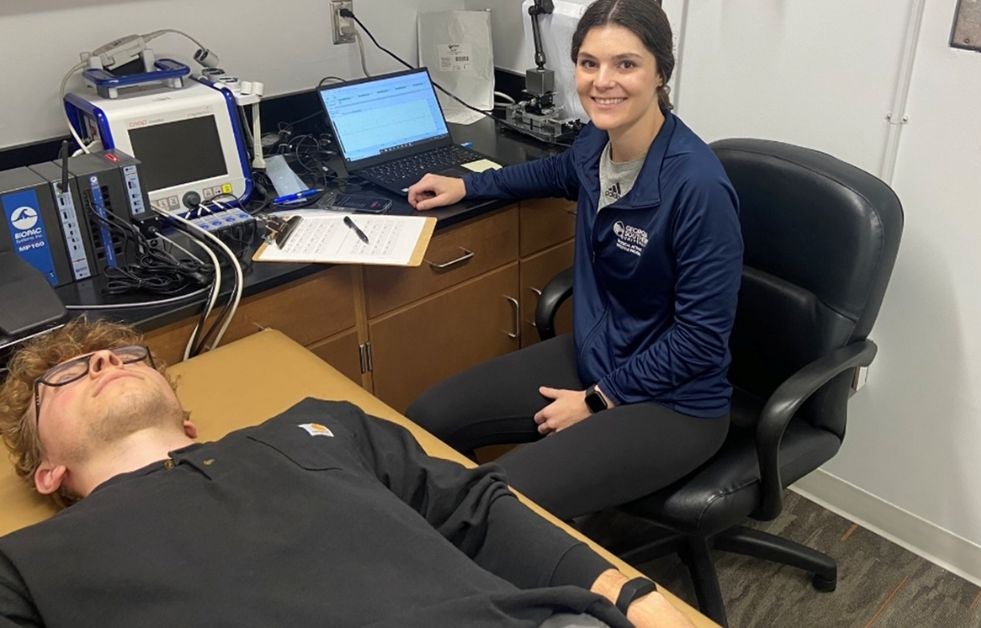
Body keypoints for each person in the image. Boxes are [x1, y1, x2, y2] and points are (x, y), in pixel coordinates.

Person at [0, 319, 694, 628]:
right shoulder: (27, 568)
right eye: (65, 376)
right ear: (46, 470)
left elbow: (475, 510)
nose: (104, 362)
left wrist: (634, 596)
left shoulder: (319, 426)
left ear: (186, 419)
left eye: (129, 357)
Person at [403, 0, 743, 521]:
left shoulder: (698, 188)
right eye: (589, 63)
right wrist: (467, 185)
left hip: (676, 402)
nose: (602, 81)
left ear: (661, 72)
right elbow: (554, 173)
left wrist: (597, 400)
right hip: (600, 353)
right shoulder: (596, 142)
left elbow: (700, 341)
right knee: (428, 418)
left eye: (625, 64)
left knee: (495, 507)